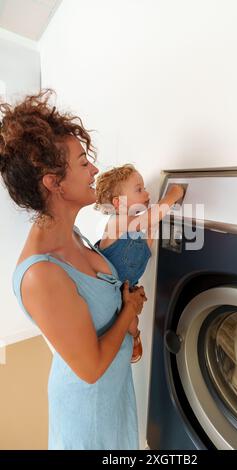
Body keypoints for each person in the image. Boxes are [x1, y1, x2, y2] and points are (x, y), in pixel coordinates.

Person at [0, 89, 147, 450]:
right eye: (83, 163)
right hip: (88, 421)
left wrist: (131, 331)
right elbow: (91, 367)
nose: (95, 169)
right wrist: (130, 309)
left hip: (115, 396)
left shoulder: (75, 236)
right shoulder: (40, 275)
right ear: (53, 182)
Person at [94, 164, 184, 363]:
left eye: (144, 188)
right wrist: (172, 195)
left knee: (131, 321)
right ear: (118, 204)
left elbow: (149, 230)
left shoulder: (136, 225)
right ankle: (130, 338)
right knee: (124, 323)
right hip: (107, 292)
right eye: (139, 189)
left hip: (126, 289)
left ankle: (133, 336)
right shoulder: (116, 222)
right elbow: (149, 219)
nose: (146, 192)